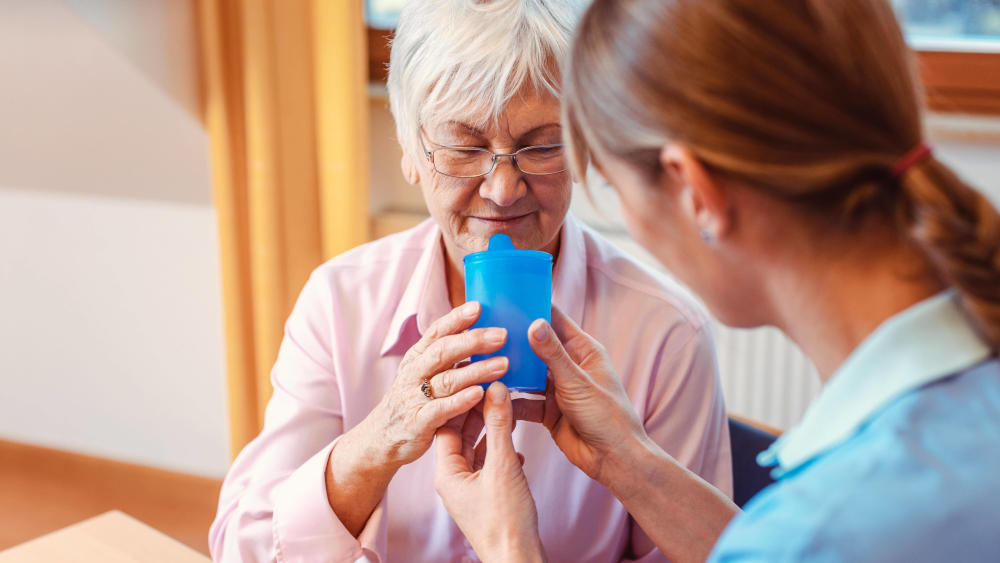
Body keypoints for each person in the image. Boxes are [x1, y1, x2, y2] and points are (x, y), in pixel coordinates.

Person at [433, 0, 1000, 561]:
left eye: (616, 189)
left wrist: (510, 547)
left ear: (696, 193)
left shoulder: (824, 530)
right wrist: (626, 460)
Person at [209, 1, 733, 561]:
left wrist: (627, 467)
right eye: (464, 148)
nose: (504, 189)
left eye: (541, 145)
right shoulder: (339, 303)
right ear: (412, 152)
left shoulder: (664, 332)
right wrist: (376, 440)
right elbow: (245, 546)